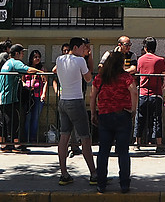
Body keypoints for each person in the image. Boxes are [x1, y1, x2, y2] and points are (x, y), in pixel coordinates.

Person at [90, 50, 136, 193]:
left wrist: (93, 113)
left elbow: (92, 96)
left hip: (105, 115)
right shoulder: (126, 77)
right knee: (123, 152)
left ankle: (101, 183)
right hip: (122, 115)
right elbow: (133, 91)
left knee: (103, 151)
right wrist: (133, 110)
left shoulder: (100, 77)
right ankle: (124, 184)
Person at [54, 37, 97, 186]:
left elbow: (55, 71)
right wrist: (87, 59)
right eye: (83, 48)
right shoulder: (79, 61)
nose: (84, 50)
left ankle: (64, 173)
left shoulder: (60, 59)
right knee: (85, 137)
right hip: (76, 101)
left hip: (63, 101)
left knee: (64, 137)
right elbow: (88, 79)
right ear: (77, 47)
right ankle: (93, 173)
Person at [0, 44, 42, 153]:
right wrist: (40, 72)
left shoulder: (7, 63)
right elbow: (28, 69)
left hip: (1, 97)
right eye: (22, 53)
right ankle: (17, 146)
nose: (23, 55)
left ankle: (3, 146)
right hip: (10, 98)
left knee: (2, 122)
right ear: (16, 53)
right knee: (14, 122)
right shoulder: (15, 62)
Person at [135, 36, 165, 151]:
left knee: (140, 117)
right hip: (156, 93)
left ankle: (137, 141)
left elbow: (138, 72)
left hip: (143, 93)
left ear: (145, 47)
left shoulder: (140, 60)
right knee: (157, 119)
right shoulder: (160, 60)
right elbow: (164, 75)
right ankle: (158, 143)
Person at [23, 49, 48, 144]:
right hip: (28, 95)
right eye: (35, 57)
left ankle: (33, 138)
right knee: (27, 116)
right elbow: (22, 80)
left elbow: (45, 82)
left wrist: (44, 93)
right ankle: (25, 138)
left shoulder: (42, 69)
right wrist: (26, 86)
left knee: (35, 117)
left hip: (38, 94)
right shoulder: (27, 68)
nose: (37, 59)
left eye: (38, 57)